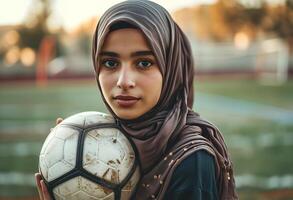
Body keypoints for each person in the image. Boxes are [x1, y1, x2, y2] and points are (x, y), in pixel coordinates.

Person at [35, 0, 238, 199]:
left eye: (143, 63)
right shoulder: (100, 139)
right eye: (110, 62)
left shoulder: (192, 162)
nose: (124, 81)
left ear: (170, 68)